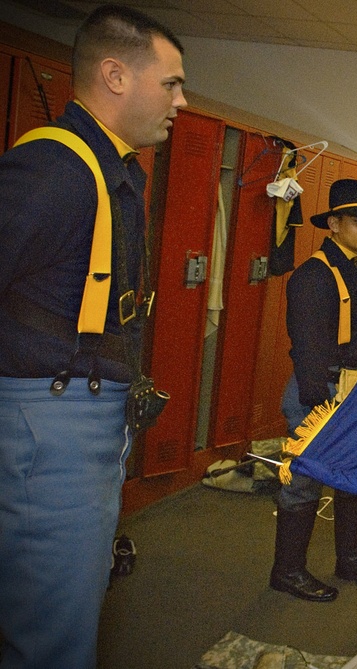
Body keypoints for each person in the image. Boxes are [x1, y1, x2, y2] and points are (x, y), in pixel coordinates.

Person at [0, 5, 186, 668]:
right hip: (48, 426)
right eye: (170, 83)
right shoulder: (58, 169)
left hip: (78, 420)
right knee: (51, 637)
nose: (180, 100)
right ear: (115, 75)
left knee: (62, 614)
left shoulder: (109, 170)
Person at [270, 178, 357, 602]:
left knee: (352, 479)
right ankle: (287, 572)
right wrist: (318, 403)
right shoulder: (315, 273)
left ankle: (352, 560)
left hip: (349, 389)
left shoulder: (352, 267)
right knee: (304, 482)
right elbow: (305, 343)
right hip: (320, 390)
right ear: (334, 223)